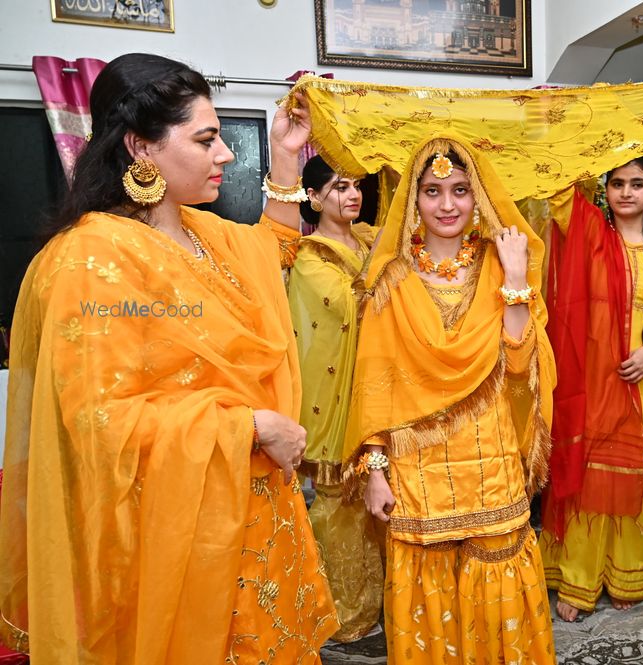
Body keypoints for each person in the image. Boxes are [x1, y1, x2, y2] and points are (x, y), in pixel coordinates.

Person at [0, 53, 338, 663]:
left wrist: (288, 156)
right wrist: (250, 425)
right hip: (180, 543)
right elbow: (99, 423)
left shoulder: (203, 232)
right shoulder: (93, 260)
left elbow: (274, 253)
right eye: (206, 139)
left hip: (258, 521)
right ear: (142, 148)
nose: (225, 154)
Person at [342, 134, 557, 664]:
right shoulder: (391, 278)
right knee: (427, 596)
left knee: (498, 584)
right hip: (417, 467)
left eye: (460, 190)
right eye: (433, 190)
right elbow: (373, 384)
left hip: (492, 458)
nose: (446, 205)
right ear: (412, 199)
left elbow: (520, 361)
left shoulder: (500, 264)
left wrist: (513, 277)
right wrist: (373, 469)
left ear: (477, 195)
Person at [540, 156, 643, 622]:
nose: (627, 192)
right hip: (591, 384)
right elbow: (559, 192)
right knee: (589, 481)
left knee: (640, 484)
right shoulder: (588, 238)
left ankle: (629, 574)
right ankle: (579, 581)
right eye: (618, 183)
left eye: (638, 184)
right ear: (605, 191)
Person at [287, 155, 382, 643]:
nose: (352, 195)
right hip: (334, 395)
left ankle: (386, 597)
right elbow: (349, 308)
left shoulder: (368, 239)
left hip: (378, 382)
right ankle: (343, 610)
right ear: (315, 196)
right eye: (340, 186)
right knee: (340, 502)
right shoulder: (311, 256)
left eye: (357, 186)